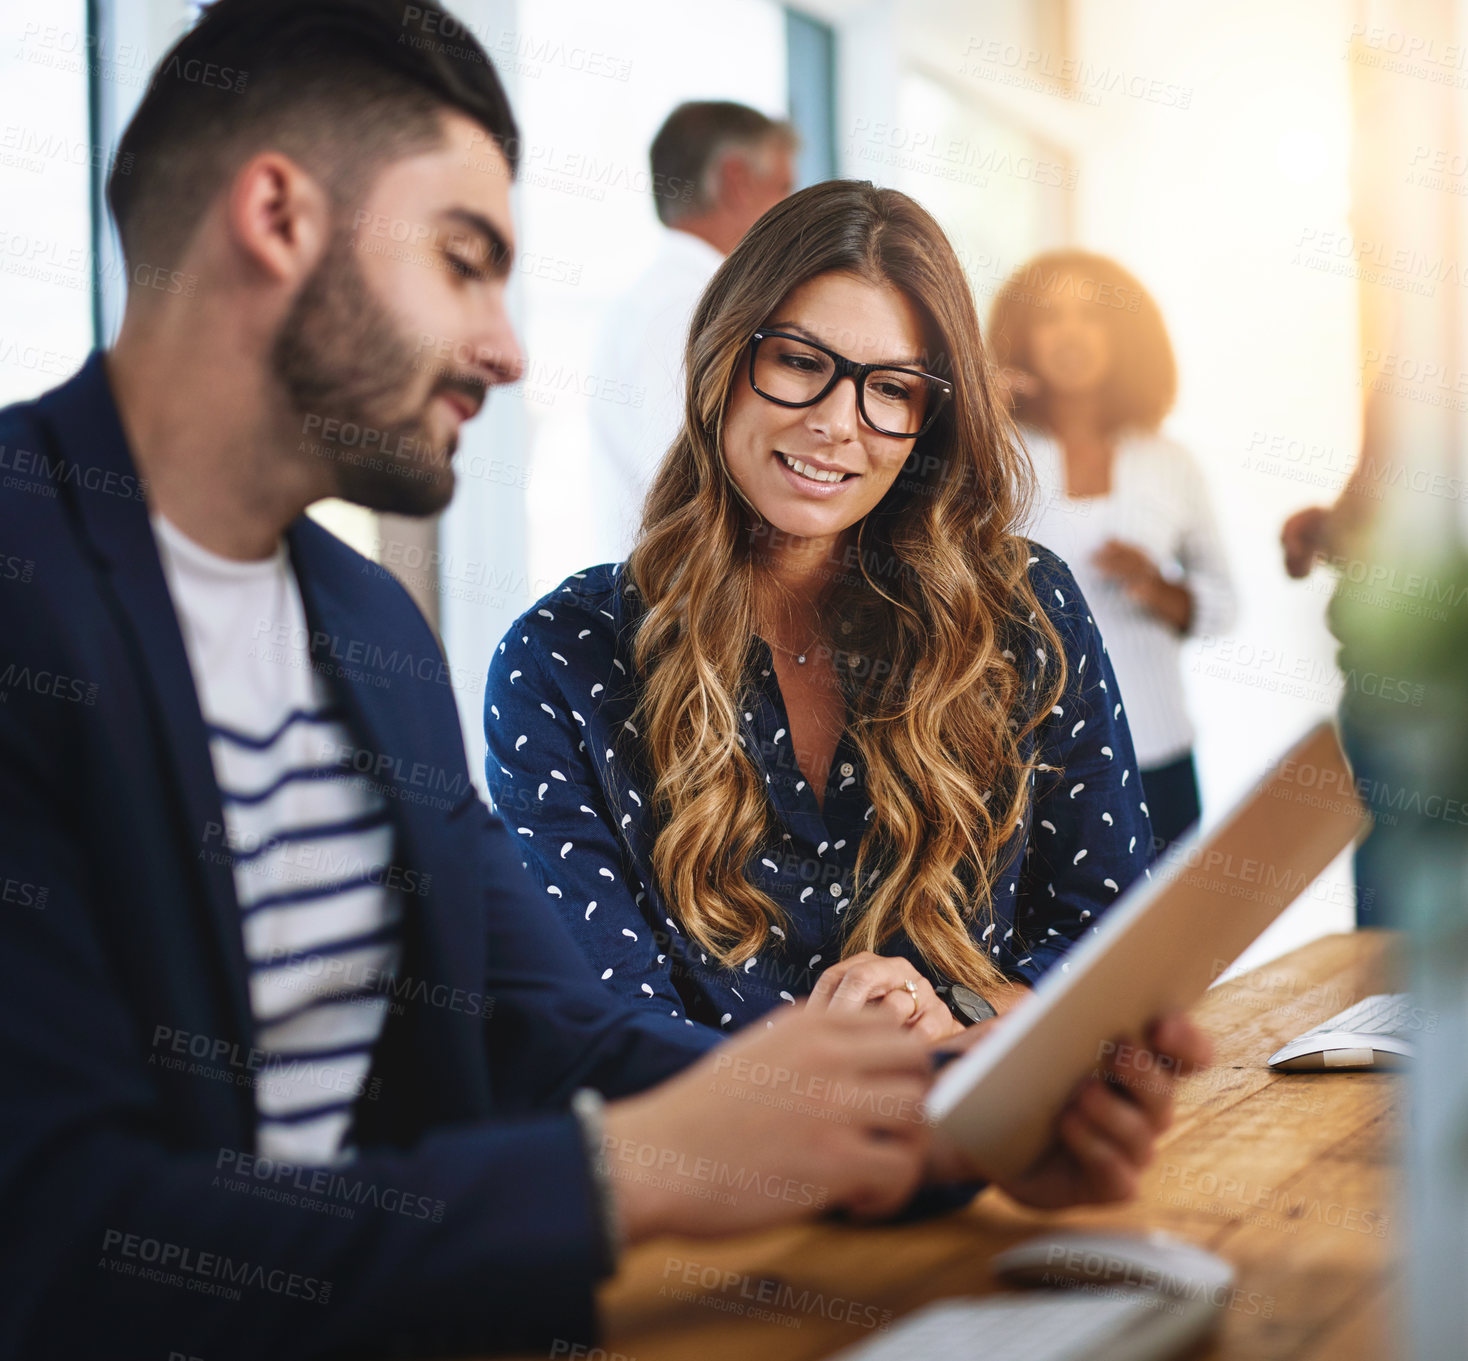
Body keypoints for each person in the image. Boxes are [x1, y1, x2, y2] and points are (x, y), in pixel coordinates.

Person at [0, 4, 1210, 1357]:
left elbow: (563, 1039)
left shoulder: (367, 634)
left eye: (894, 392)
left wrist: (954, 1130)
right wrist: (620, 1173)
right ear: (277, 218)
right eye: (465, 262)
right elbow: (58, 1241)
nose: (508, 347)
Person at [486, 181, 1176, 1047]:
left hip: (986, 1152)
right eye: (800, 363)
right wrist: (810, 1068)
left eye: (889, 387)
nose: (835, 424)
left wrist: (954, 1009)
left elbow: (1112, 936)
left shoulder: (1024, 608)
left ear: (930, 417)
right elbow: (605, 1031)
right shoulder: (563, 658)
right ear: (723, 357)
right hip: (717, 1171)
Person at [988, 251, 1237, 854]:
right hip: (1021, 756)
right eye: (1050, 317)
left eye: (1091, 316)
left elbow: (1224, 605)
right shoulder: (994, 448)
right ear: (1022, 335)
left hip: (1157, 752)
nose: (1070, 334)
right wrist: (969, 406)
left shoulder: (1169, 463)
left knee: (1162, 943)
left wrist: (1157, 587)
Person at [587, 101, 797, 561]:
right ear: (737, 181)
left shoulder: (661, 298)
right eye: (784, 188)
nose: (793, 213)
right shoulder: (689, 308)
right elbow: (691, 486)